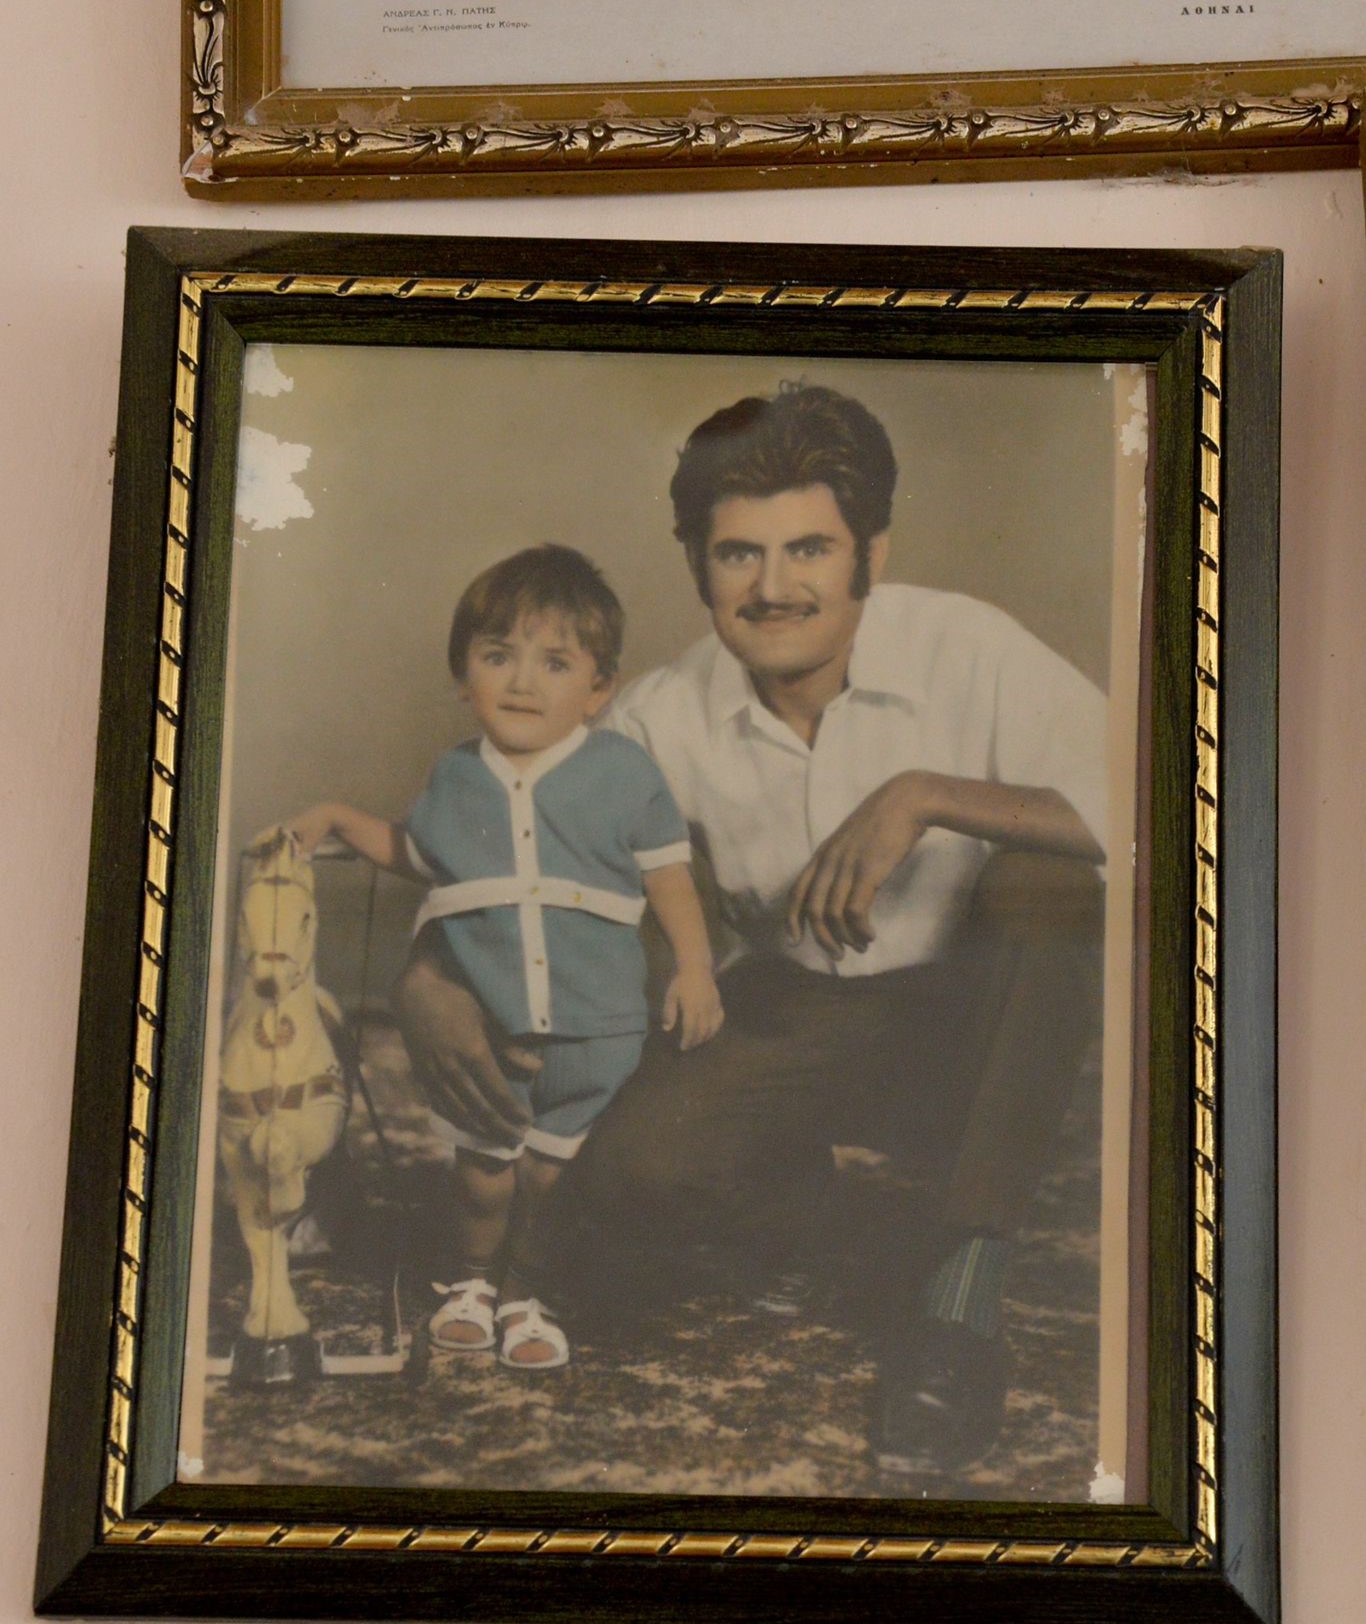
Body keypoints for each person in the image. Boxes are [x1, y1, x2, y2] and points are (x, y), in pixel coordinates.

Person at [395, 388, 1105, 1468]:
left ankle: (960, 1300)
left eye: (810, 548)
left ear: (870, 553)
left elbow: (1170, 796)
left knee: (1050, 882)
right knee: (621, 1176)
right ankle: (831, 1221)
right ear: (696, 563)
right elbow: (515, 849)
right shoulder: (660, 713)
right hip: (792, 1013)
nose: (773, 589)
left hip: (971, 1013)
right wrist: (431, 975)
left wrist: (924, 794)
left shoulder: (969, 644)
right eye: (738, 555)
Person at [290, 544, 722, 1370]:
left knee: (555, 1176)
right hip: (487, 1024)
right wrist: (342, 818)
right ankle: (471, 1283)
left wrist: (695, 969)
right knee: (484, 1171)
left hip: (597, 1027)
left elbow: (669, 877)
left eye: (555, 663)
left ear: (598, 688)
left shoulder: (624, 772)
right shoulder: (456, 776)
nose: (523, 682)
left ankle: (530, 1294)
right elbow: (418, 854)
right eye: (498, 657)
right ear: (465, 677)